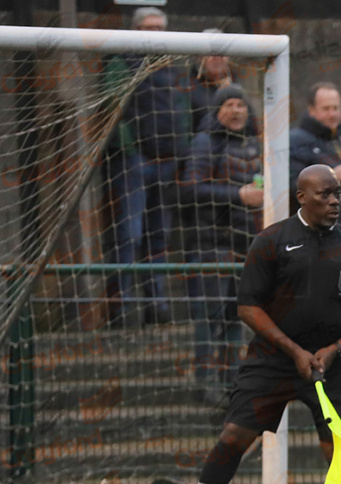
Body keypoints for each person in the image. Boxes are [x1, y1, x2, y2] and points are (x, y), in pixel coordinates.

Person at [158, 165, 341, 484]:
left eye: (338, 195)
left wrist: (335, 348)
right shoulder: (271, 241)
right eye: (324, 194)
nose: (333, 201)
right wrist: (294, 350)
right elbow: (247, 307)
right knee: (233, 437)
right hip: (274, 360)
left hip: (334, 365)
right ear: (301, 197)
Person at [182, 85, 263, 405]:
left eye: (241, 104)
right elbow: (190, 190)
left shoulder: (253, 144)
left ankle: (231, 379)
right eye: (229, 104)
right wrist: (237, 195)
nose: (237, 110)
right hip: (209, 242)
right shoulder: (204, 143)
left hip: (244, 243)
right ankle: (205, 382)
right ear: (217, 111)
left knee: (235, 314)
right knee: (209, 315)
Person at [124, 7, 193, 324]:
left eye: (159, 28)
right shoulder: (121, 62)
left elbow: (183, 114)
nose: (154, 34)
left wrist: (180, 153)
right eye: (148, 28)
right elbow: (111, 112)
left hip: (168, 164)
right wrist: (131, 148)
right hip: (136, 163)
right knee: (129, 236)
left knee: (159, 238)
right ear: (136, 30)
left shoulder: (174, 68)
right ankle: (124, 308)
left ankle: (158, 306)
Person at [288, 83, 341, 234]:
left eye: (336, 108)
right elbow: (293, 187)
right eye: (326, 109)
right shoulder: (296, 141)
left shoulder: (339, 138)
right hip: (316, 232)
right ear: (311, 110)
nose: (332, 114)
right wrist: (331, 177)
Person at [189, 29, 236, 134]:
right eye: (210, 53)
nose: (217, 58)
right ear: (199, 58)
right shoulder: (186, 89)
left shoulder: (236, 86)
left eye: (222, 52)